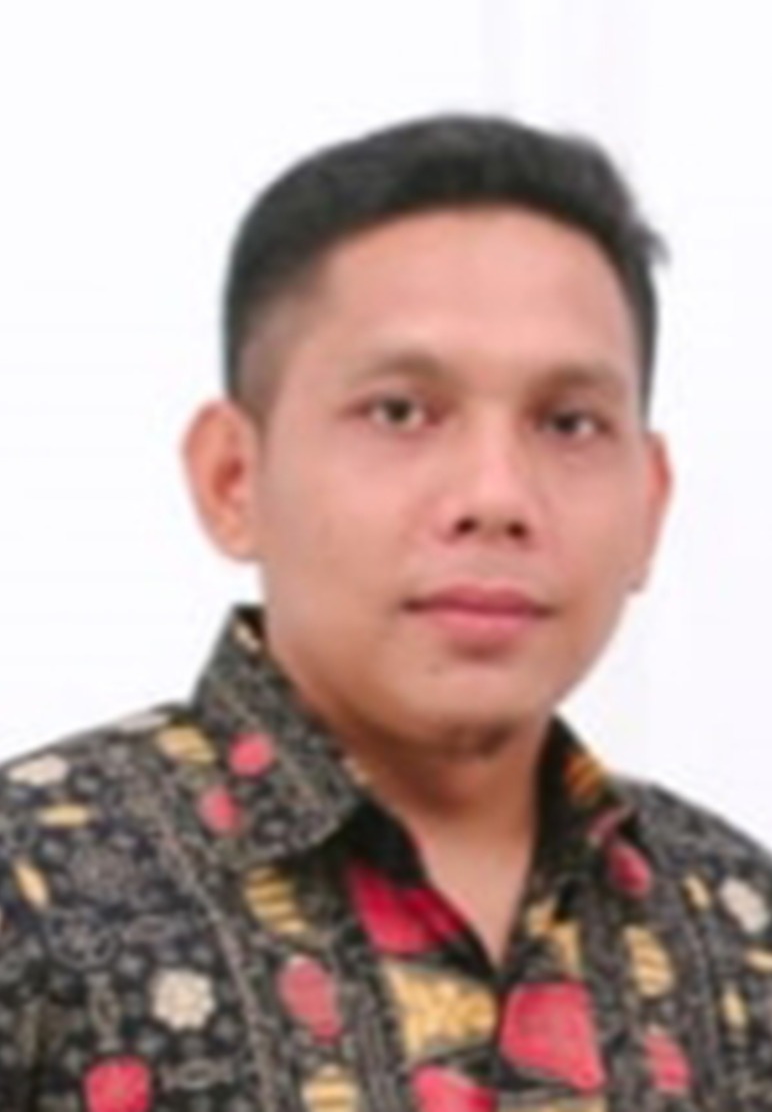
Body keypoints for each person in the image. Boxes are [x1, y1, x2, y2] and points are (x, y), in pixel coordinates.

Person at [0, 114, 769, 1112]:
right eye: (401, 411)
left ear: (650, 506)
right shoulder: (33, 892)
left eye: (568, 423)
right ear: (234, 477)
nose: (495, 495)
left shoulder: (739, 928)